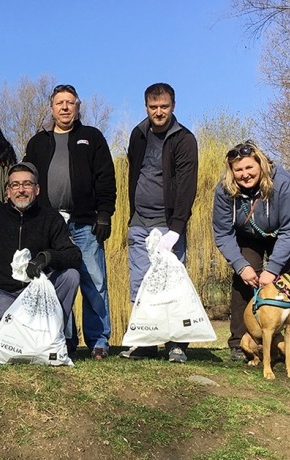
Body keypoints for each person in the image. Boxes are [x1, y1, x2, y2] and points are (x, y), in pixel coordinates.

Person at [24, 84, 116, 360]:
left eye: (70, 103)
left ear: (77, 107)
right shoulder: (37, 142)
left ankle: (98, 340)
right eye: (60, 103)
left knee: (94, 281)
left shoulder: (92, 137)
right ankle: (64, 338)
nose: (65, 107)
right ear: (51, 108)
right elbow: (27, 182)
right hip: (50, 225)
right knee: (58, 280)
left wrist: (104, 213)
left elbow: (106, 178)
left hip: (85, 221)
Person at [119, 83, 198, 363]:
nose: (159, 112)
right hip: (140, 222)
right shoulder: (138, 135)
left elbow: (187, 185)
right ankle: (145, 341)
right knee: (140, 284)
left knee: (171, 284)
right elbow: (135, 174)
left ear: (173, 106)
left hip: (168, 224)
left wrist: (177, 228)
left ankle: (176, 344)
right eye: (153, 107)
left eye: (164, 106)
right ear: (146, 107)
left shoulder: (184, 139)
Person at [0, 163, 82, 347]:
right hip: (3, 294)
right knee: (13, 328)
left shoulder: (50, 218)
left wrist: (47, 257)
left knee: (71, 276)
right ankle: (9, 336)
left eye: (27, 184)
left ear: (37, 188)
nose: (21, 190)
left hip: (39, 293)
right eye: (15, 185)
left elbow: (74, 255)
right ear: (8, 191)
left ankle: (56, 336)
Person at [212, 140, 290, 362]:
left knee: (286, 280)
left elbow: (289, 230)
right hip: (247, 236)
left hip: (282, 235)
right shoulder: (224, 190)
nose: (245, 174)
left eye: (249, 168)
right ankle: (239, 343)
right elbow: (222, 233)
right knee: (245, 279)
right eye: (238, 170)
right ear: (231, 171)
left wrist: (273, 269)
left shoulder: (283, 183)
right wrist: (241, 265)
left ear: (261, 165)